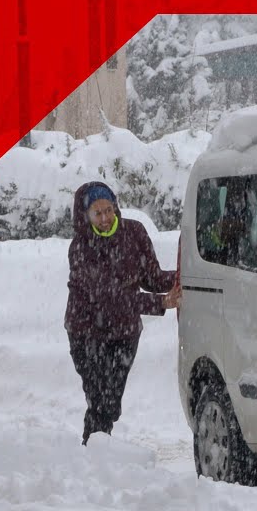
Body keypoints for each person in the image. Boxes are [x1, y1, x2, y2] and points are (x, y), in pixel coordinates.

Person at [65, 181, 181, 445]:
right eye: (98, 213)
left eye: (109, 210)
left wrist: (182, 278)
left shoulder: (134, 232)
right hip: (86, 333)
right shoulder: (81, 248)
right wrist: (160, 303)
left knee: (111, 401)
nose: (105, 218)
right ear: (86, 215)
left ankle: (97, 448)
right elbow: (108, 297)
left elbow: (151, 277)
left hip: (124, 333)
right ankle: (93, 450)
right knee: (99, 400)